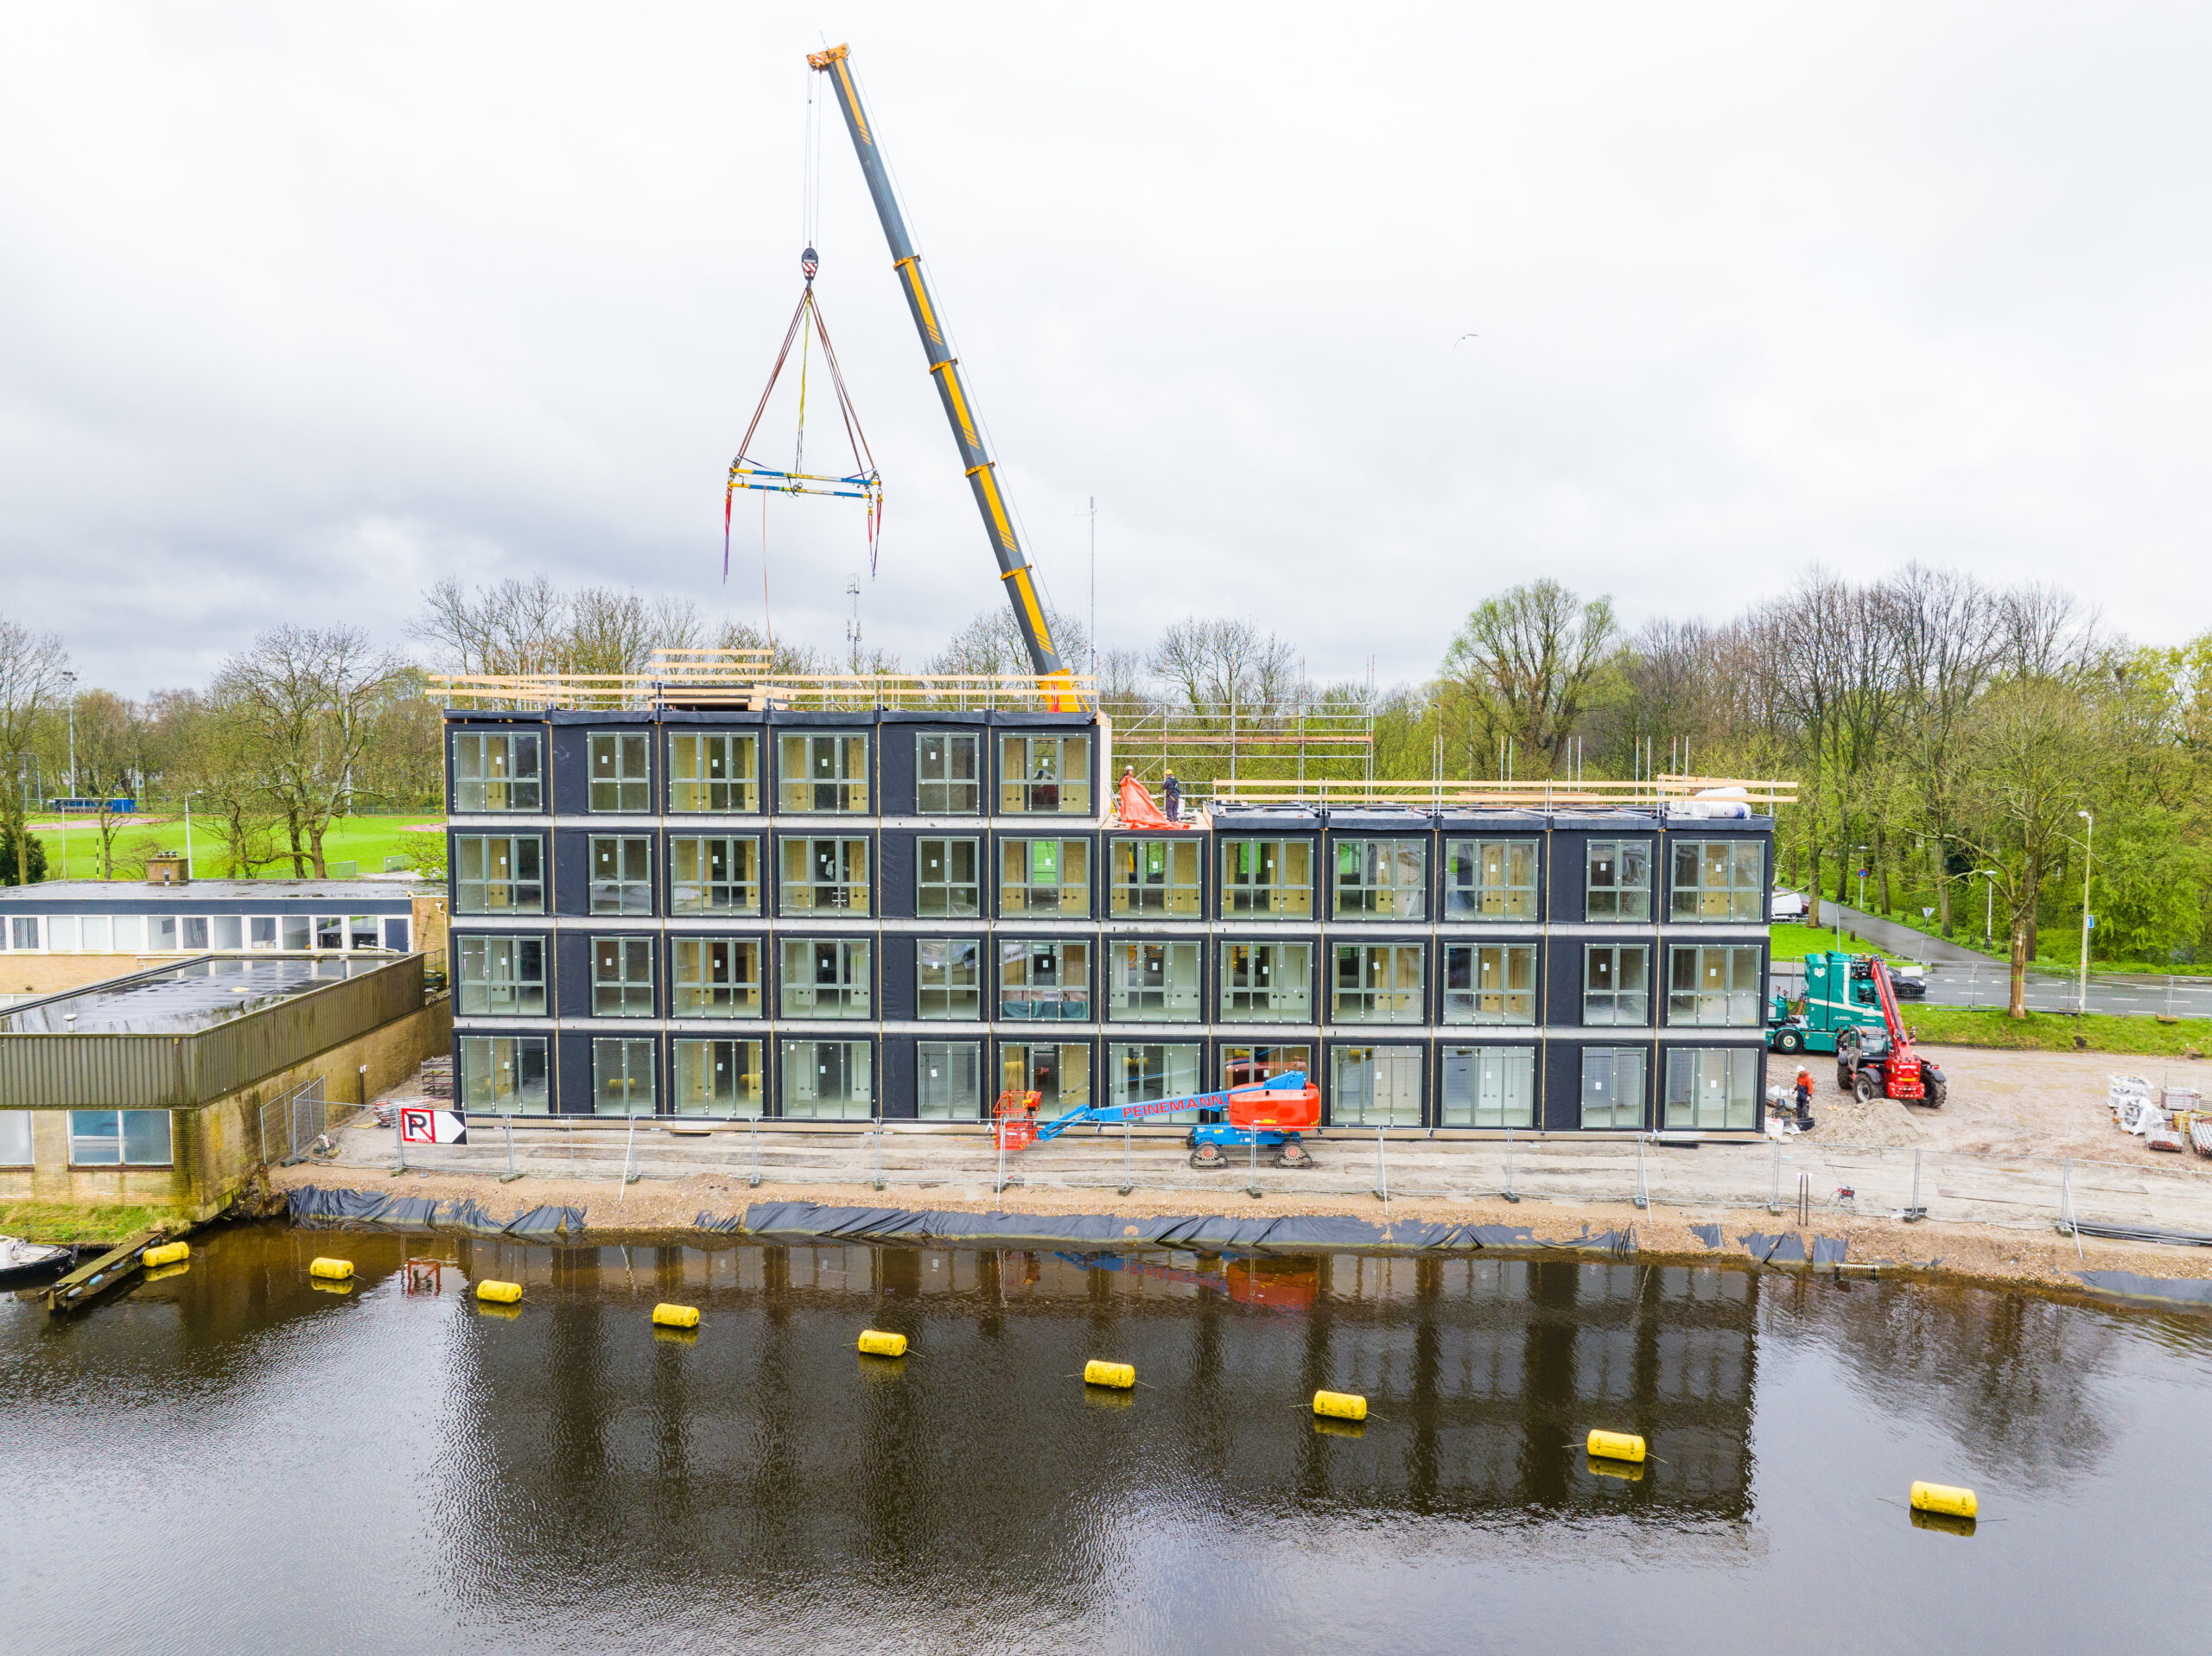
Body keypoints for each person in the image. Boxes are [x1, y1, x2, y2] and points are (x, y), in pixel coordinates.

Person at [1793, 1067, 1815, 1131]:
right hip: (1800, 1096)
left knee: (1805, 1109)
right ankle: (1799, 1121)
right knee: (1799, 1109)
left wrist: (1809, 1095)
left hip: (1806, 1096)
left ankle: (1806, 1122)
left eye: (1798, 1072)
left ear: (1801, 1072)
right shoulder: (1799, 1078)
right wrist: (1795, 1089)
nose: (1798, 1073)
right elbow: (1798, 1085)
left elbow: (1810, 1088)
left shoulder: (1808, 1078)